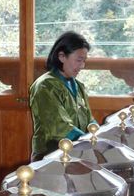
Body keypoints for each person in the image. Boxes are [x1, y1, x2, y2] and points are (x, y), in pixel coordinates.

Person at [29, 31, 96, 161]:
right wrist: (88, 143)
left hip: (77, 151)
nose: (82, 66)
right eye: (78, 60)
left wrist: (97, 136)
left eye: (84, 61)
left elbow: (89, 120)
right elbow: (60, 126)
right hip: (50, 154)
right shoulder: (45, 86)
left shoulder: (79, 86)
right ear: (62, 56)